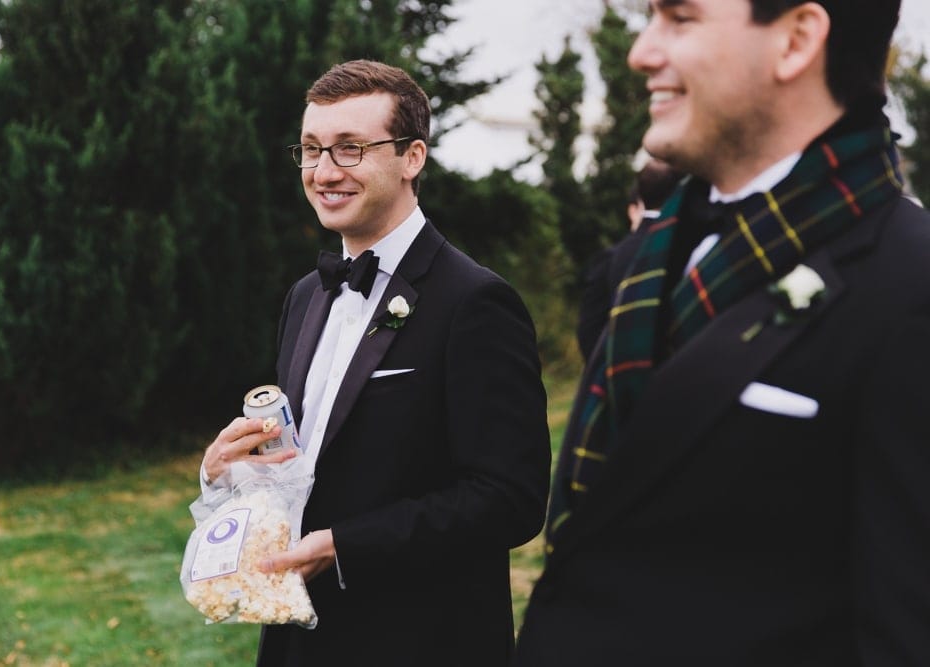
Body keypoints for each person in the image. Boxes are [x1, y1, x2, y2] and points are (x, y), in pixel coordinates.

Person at [515, 1, 930, 665]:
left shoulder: (911, 290)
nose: (641, 52)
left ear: (796, 40)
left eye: (680, 18)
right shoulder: (646, 254)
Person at [199, 59, 551, 666]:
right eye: (311, 150)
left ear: (413, 157)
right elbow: (313, 465)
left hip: (419, 639)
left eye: (349, 149)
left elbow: (509, 499)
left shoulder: (475, 302)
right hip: (297, 639)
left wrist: (345, 546)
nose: (323, 172)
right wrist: (229, 475)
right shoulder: (306, 295)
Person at [576, 157, 684, 357]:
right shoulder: (687, 246)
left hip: (619, 362)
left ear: (640, 199)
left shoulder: (613, 256)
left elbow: (589, 331)